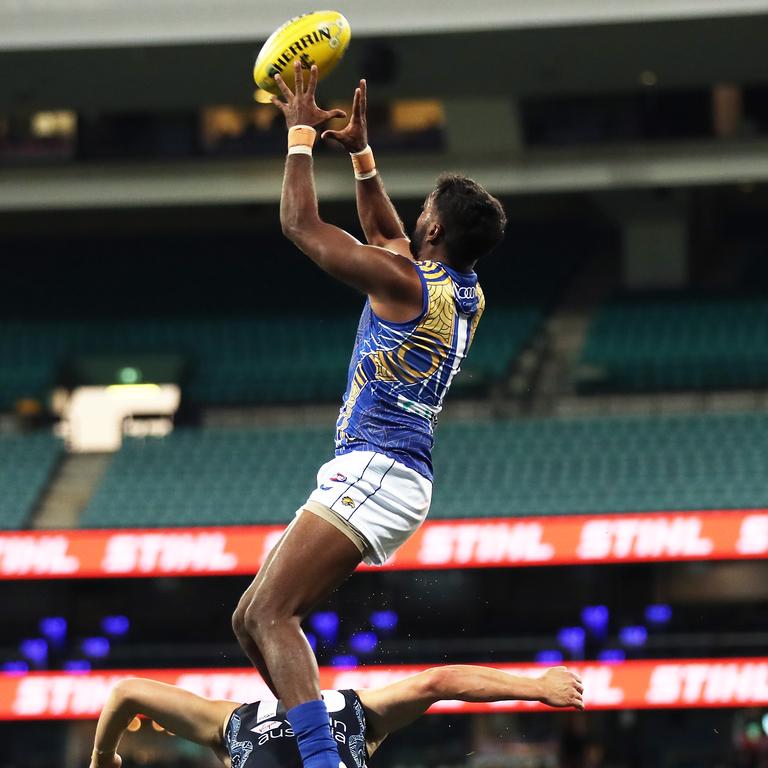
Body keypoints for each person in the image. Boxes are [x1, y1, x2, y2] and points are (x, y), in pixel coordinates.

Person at [230, 60, 508, 768]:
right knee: (247, 621)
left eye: (426, 214)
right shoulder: (460, 289)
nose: (414, 217)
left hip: (379, 469)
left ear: (437, 228)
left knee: (270, 615)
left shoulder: (403, 279)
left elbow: (300, 223)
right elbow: (386, 231)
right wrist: (357, 152)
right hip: (386, 471)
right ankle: (312, 737)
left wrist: (298, 135)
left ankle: (325, 760)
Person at [89, 665, 583, 768]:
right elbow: (127, 692)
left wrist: (537, 688)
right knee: (253, 617)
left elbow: (439, 683)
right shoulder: (229, 720)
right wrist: (101, 756)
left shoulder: (358, 711)